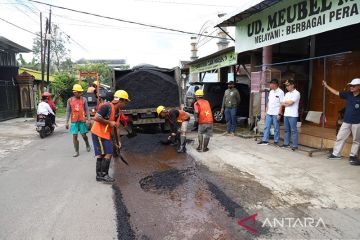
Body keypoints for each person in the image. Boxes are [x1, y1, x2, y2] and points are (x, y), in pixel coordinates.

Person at [91, 90, 130, 182]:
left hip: (105, 133)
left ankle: (99, 175)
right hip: (98, 132)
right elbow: (96, 117)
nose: (125, 104)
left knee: (102, 154)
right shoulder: (107, 106)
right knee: (108, 153)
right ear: (120, 100)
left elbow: (116, 127)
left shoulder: (118, 112)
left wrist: (118, 141)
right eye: (125, 101)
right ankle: (104, 175)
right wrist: (109, 122)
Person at [323, 78, 360, 165]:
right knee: (340, 137)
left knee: (356, 140)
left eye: (353, 86)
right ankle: (336, 154)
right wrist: (326, 86)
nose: (351, 87)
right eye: (350, 85)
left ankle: (353, 156)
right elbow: (336, 92)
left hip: (357, 122)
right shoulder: (348, 94)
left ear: (359, 87)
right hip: (346, 121)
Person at [65, 84, 91, 157]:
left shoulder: (84, 99)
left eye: (80, 92)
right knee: (75, 136)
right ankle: (76, 151)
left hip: (82, 120)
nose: (80, 93)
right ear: (74, 92)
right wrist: (66, 122)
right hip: (74, 121)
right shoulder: (69, 100)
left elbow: (86, 110)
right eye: (78, 92)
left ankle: (87, 144)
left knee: (84, 135)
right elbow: (68, 111)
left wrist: (88, 119)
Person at [258, 79, 285, 146]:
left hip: (276, 113)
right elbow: (269, 102)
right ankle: (265, 140)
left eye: (271, 84)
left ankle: (276, 141)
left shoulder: (281, 92)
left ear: (275, 84)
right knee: (266, 127)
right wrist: (266, 111)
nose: (270, 85)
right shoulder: (271, 92)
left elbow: (281, 104)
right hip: (269, 112)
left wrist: (279, 114)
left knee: (276, 127)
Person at [281, 80, 300, 151]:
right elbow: (282, 103)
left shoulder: (297, 93)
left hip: (293, 115)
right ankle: (286, 144)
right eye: (286, 86)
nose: (287, 87)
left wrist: (287, 102)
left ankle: (295, 145)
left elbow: (291, 103)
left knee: (293, 130)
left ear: (292, 85)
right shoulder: (286, 94)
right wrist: (287, 103)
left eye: (288, 85)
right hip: (286, 114)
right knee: (286, 130)